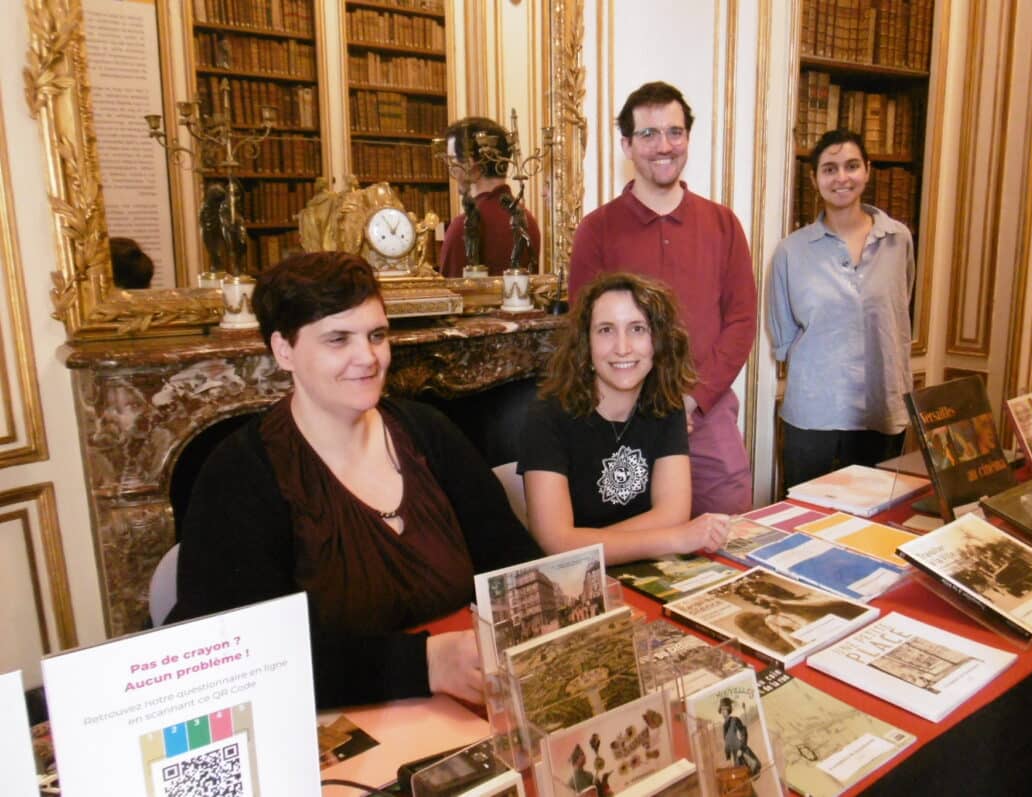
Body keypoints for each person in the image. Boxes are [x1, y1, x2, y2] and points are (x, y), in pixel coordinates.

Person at [168, 252, 543, 708]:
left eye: (376, 335)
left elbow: (516, 567)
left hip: (464, 708)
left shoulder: (430, 432)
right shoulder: (240, 475)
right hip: (333, 727)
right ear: (283, 350)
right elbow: (244, 660)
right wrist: (423, 662)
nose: (367, 358)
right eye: (337, 339)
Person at [569, 81, 756, 516]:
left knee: (729, 539)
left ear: (688, 138)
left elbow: (742, 320)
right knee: (640, 552)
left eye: (674, 132)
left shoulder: (723, 223)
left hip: (707, 415)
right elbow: (585, 328)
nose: (663, 146)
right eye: (648, 134)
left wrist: (692, 399)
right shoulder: (596, 230)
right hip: (625, 420)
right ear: (627, 145)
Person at [519, 272, 731, 565]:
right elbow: (555, 542)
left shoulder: (667, 405)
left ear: (658, 341)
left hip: (637, 568)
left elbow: (674, 513)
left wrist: (586, 544)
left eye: (637, 329)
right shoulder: (545, 417)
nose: (622, 347)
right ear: (585, 343)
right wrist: (676, 538)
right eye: (606, 330)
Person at [767, 128, 914, 488]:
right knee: (806, 521)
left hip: (881, 409)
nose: (842, 178)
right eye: (830, 169)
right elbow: (782, 332)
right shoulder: (792, 251)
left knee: (876, 523)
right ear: (815, 178)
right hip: (814, 412)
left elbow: (898, 311)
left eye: (851, 166)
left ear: (868, 169)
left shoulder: (898, 239)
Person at [440, 116, 542, 277]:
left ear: (469, 163)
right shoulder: (528, 221)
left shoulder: (463, 227)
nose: (450, 169)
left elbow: (449, 297)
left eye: (452, 161)